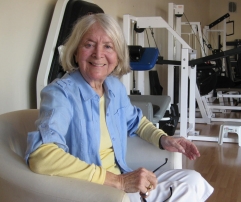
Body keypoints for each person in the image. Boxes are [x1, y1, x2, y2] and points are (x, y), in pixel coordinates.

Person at [25, 13, 213, 201]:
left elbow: (136, 121)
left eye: (108, 46)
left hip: (123, 185)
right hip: (93, 192)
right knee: (185, 193)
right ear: (75, 51)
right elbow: (41, 156)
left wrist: (163, 139)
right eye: (89, 44)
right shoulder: (61, 94)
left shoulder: (114, 87)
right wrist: (119, 181)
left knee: (193, 180)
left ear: (117, 55)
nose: (98, 54)